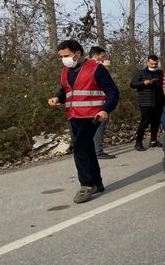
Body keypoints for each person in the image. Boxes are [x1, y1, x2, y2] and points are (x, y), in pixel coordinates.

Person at [48, 39, 119, 204]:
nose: (63, 59)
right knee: (86, 148)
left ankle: (87, 184)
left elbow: (112, 92)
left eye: (66, 55)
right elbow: (65, 91)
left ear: (77, 53)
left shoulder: (96, 68)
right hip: (73, 116)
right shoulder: (66, 71)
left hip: (92, 116)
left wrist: (105, 109)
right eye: (61, 56)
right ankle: (97, 182)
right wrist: (57, 98)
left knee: (79, 148)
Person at [130, 55, 164, 151]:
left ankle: (153, 140)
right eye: (152, 63)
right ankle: (138, 142)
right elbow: (132, 84)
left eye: (155, 64)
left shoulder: (160, 73)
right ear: (147, 63)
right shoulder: (141, 73)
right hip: (146, 102)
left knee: (156, 122)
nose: (154, 65)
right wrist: (143, 83)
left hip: (158, 102)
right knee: (144, 122)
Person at [88, 46, 115, 159]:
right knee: (99, 127)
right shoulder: (95, 68)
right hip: (96, 105)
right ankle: (98, 151)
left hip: (90, 105)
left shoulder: (86, 67)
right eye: (103, 56)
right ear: (95, 56)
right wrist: (105, 68)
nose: (105, 58)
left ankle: (93, 150)